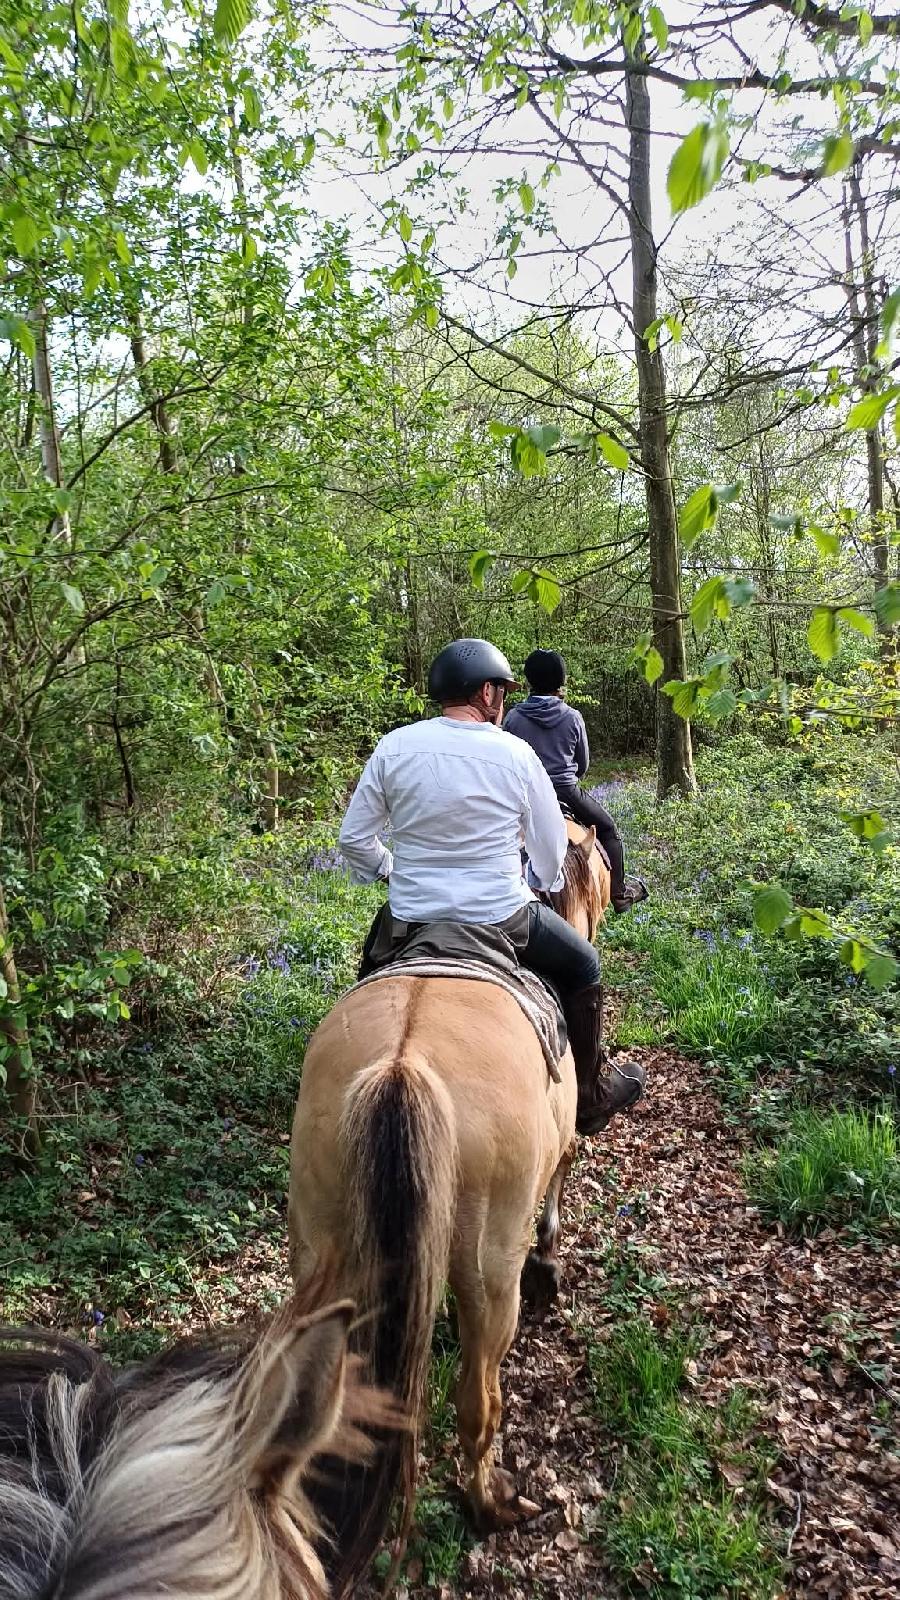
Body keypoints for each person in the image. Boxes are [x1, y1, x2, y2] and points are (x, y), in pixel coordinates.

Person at [338, 637, 645, 1136]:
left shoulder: (394, 745)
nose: (503, 700)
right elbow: (549, 850)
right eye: (501, 690)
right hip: (502, 915)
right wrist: (538, 881)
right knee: (585, 964)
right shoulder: (514, 754)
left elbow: (354, 839)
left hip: (410, 916)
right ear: (486, 693)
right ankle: (590, 1095)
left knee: (369, 976)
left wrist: (391, 868)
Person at [503, 649, 647, 915]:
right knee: (607, 830)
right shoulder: (572, 717)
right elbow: (583, 764)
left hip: (525, 795)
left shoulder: (513, 718)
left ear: (529, 681)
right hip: (566, 792)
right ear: (561, 681)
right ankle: (619, 893)